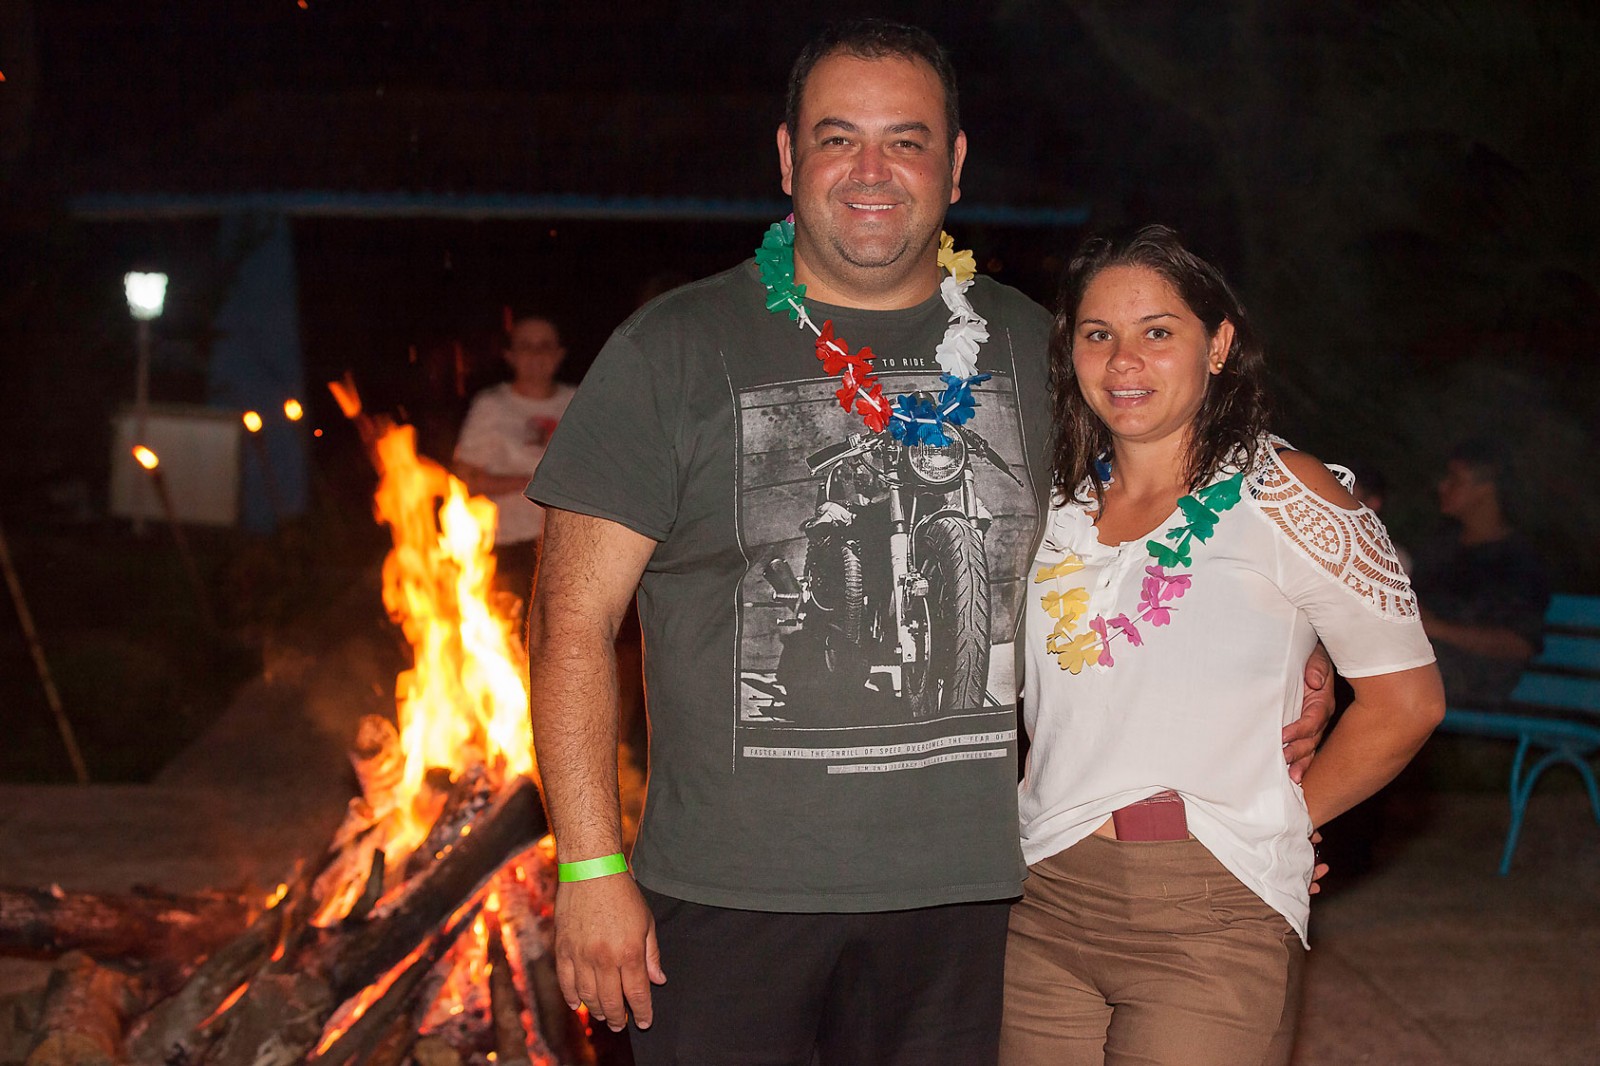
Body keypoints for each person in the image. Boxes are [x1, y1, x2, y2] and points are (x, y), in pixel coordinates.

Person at [525, 22, 1333, 1065]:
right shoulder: (671, 350)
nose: (872, 171)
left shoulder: (1040, 348)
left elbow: (1181, 510)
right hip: (729, 901)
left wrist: (1294, 654)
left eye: (905, 141)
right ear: (787, 157)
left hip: (980, 901)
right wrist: (590, 867)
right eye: (838, 138)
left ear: (953, 165)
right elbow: (571, 621)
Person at [1001, 226, 1446, 1066]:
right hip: (1041, 898)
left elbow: (1407, 701)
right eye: (1098, 334)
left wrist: (1281, 824)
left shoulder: (1288, 494)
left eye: (1157, 331)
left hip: (1209, 913)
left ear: (1218, 345)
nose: (1124, 361)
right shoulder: (1049, 507)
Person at [1410, 438, 1551, 705]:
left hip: (1477, 679)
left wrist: (1437, 629)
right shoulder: (1440, 548)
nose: (1442, 486)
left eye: (1455, 479)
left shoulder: (1518, 560)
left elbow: (1519, 644)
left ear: (1485, 490)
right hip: (1425, 666)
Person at [452, 314, 575, 598]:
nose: (536, 354)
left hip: (568, 545)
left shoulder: (578, 401)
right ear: (510, 355)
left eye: (545, 346)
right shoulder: (492, 406)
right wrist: (535, 483)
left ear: (559, 354)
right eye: (526, 346)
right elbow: (467, 480)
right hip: (510, 547)